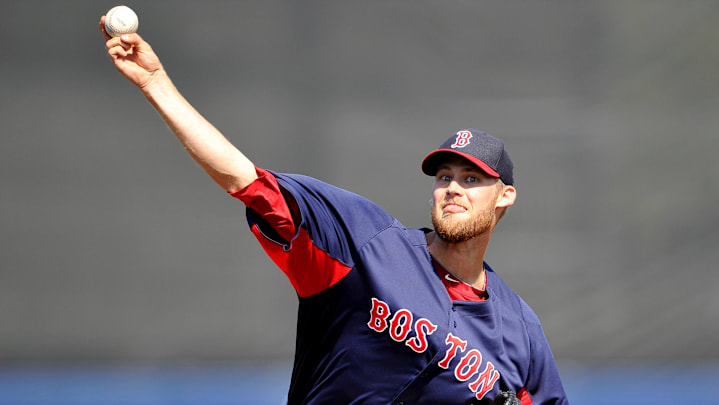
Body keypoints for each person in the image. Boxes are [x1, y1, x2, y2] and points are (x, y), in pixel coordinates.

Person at [100, 17, 569, 405]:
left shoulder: (520, 330)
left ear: (504, 195)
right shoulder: (368, 244)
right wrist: (155, 83)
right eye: (444, 177)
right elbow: (243, 179)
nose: (452, 189)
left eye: (471, 180)